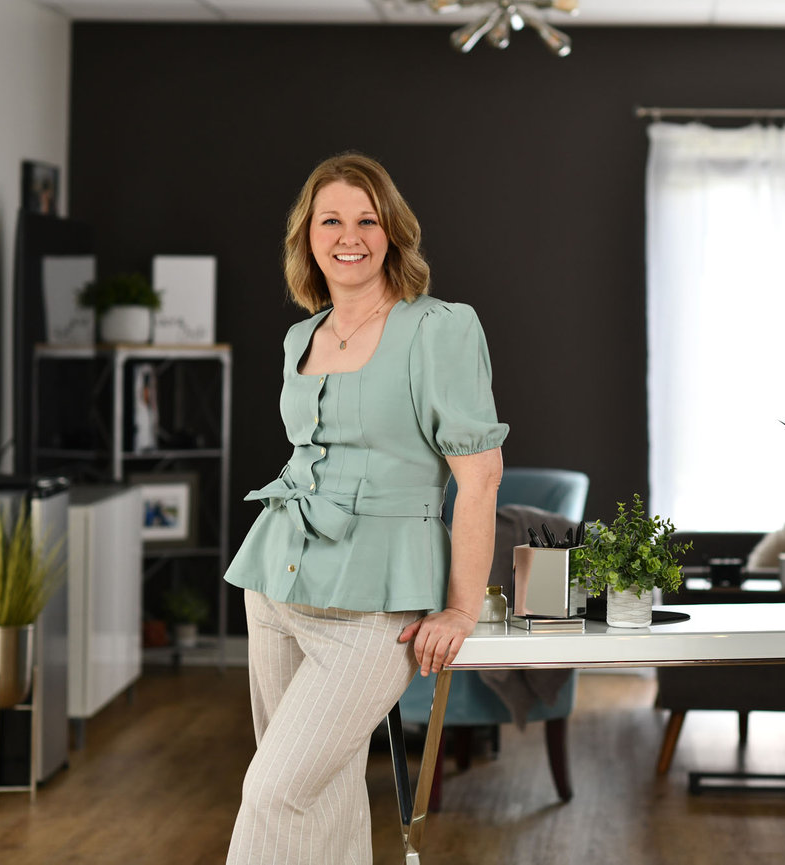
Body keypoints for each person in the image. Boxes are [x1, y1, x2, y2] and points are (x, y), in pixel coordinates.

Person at [223, 152, 507, 863]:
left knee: (274, 791)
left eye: (366, 219)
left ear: (392, 233)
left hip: (378, 606)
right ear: (308, 237)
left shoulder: (438, 329)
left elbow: (478, 478)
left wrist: (460, 609)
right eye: (331, 220)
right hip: (277, 586)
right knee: (317, 794)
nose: (349, 236)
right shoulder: (301, 338)